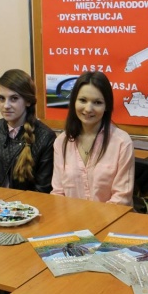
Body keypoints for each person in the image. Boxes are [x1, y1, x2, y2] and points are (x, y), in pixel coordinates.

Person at [51, 71, 134, 206]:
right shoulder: (61, 142)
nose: (88, 108)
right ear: (74, 101)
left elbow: (122, 199)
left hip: (111, 217)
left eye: (97, 102)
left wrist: (91, 218)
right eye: (83, 100)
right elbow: (58, 193)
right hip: (71, 218)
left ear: (106, 106)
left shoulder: (122, 142)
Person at [0, 69, 55, 192]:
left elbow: (42, 191)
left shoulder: (45, 137)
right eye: (1, 98)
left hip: (30, 204)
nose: (6, 105)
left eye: (14, 98)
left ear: (28, 101)